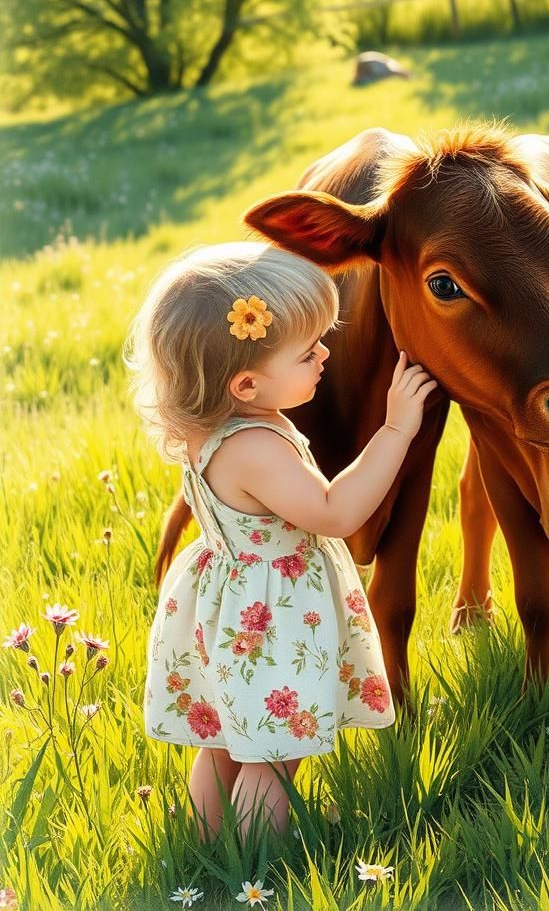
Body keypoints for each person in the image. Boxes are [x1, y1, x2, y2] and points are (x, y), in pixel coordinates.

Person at [123, 240, 436, 840]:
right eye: (306, 350)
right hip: (268, 618)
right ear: (244, 384)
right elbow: (335, 511)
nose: (324, 354)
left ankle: (208, 848)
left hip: (230, 605)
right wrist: (397, 430)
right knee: (272, 753)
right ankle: (258, 872)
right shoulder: (256, 447)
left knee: (224, 743)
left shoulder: (217, 428)